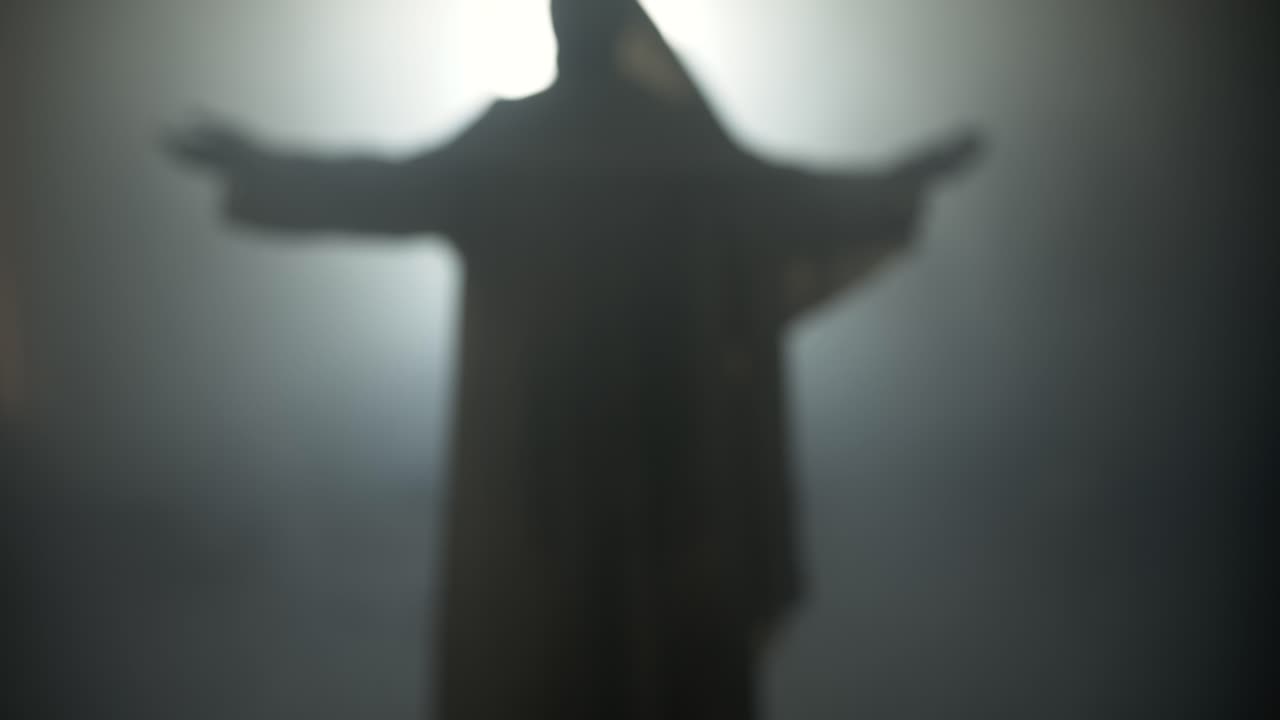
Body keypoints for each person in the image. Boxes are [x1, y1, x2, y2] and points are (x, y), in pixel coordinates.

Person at [167, 1, 982, 717]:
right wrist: (897, 183)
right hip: (624, 479)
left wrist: (898, 181)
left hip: (598, 480)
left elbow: (387, 187)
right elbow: (798, 201)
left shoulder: (562, 149)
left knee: (587, 663)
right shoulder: (649, 152)